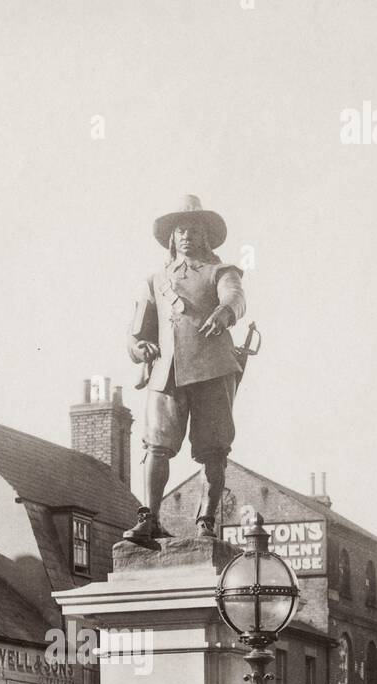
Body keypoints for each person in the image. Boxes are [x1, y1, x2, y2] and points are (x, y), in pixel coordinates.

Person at [124, 194, 247, 545]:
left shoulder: (221, 272)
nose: (186, 236)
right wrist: (138, 347)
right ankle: (149, 517)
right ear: (171, 237)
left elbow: (235, 298)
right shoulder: (155, 281)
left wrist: (225, 313)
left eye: (193, 229)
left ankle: (206, 520)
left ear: (205, 235)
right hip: (167, 373)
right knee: (156, 446)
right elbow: (135, 333)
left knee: (214, 450)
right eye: (180, 230)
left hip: (213, 371)